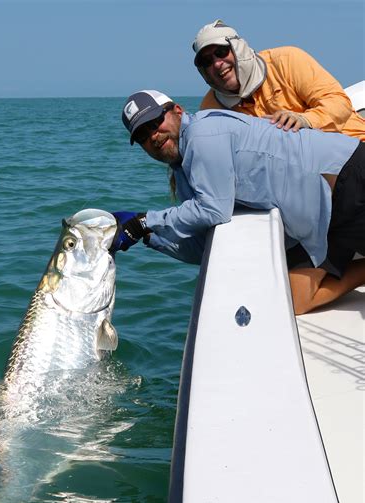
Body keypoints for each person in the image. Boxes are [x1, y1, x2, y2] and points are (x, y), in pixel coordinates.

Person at [111, 90, 365, 315]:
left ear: (177, 110)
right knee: (296, 301)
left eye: (156, 122)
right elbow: (203, 240)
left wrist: (145, 221)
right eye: (143, 135)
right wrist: (150, 236)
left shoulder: (203, 135)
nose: (153, 136)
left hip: (348, 180)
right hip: (320, 222)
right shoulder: (183, 169)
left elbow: (213, 209)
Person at [192, 19, 365, 139]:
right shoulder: (210, 109)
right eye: (207, 61)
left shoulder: (287, 60)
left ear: (238, 49)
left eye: (221, 52)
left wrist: (305, 120)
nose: (217, 63)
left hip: (352, 144)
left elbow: (339, 104)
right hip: (301, 176)